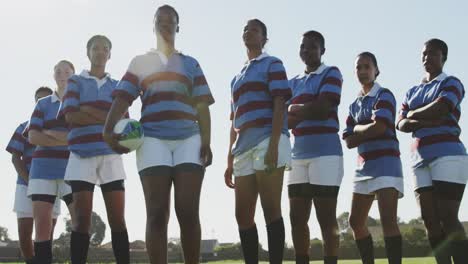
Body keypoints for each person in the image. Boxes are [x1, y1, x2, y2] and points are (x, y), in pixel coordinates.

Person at [103, 5, 214, 264]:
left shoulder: (190, 63)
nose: (165, 24)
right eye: (160, 20)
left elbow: (202, 105)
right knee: (156, 213)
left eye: (171, 20)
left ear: (178, 26)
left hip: (189, 138)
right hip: (152, 138)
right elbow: (122, 99)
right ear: (153, 26)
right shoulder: (140, 62)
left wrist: (207, 141)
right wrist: (107, 130)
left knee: (187, 211)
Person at [224, 18, 291, 264]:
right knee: (242, 215)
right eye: (245, 29)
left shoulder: (272, 64)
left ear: (264, 39)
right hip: (242, 147)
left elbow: (280, 103)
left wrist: (274, 145)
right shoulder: (236, 78)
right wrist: (229, 159)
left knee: (271, 209)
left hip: (267, 140)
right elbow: (234, 118)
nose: (248, 32)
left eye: (254, 29)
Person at [58, 35, 129, 264]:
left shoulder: (117, 86)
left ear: (110, 55)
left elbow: (124, 123)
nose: (100, 52)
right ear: (87, 53)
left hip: (110, 155)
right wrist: (109, 118)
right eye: (95, 48)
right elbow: (71, 115)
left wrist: (88, 112)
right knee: (81, 221)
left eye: (105, 48)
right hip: (81, 155)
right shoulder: (75, 82)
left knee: (118, 219)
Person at [397, 39, 468, 264]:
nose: (427, 58)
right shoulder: (412, 91)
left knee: (448, 217)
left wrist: (413, 117)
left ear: (443, 57)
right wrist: (423, 118)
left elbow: (443, 107)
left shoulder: (452, 82)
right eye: (424, 54)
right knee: (429, 219)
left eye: (433, 54)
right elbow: (400, 124)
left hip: (449, 154)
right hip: (419, 160)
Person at [287, 30, 343, 264]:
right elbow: (285, 120)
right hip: (297, 155)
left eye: (312, 46)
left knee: (326, 217)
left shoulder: (331, 73)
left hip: (326, 154)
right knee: (297, 218)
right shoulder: (293, 82)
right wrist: (301, 109)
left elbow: (323, 109)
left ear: (322, 50)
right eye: (303, 46)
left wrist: (295, 109)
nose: (306, 50)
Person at [343, 52, 403, 264]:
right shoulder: (354, 105)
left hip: (387, 164)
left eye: (367, 67)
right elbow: (348, 141)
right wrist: (363, 130)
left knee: (388, 220)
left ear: (376, 70)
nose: (362, 71)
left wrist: (357, 128)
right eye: (358, 67)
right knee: (355, 222)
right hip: (363, 168)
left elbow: (381, 127)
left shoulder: (384, 95)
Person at [26, 60, 75, 264]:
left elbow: (82, 135)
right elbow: (33, 138)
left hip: (73, 169)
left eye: (67, 71)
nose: (62, 74)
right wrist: (65, 137)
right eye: (58, 71)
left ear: (73, 76)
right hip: (42, 170)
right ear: (53, 75)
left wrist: (47, 132)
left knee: (81, 222)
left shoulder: (79, 103)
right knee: (42, 227)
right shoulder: (42, 104)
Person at [6, 86, 60, 264]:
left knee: (46, 232)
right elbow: (15, 158)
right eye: (38, 99)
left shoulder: (60, 128)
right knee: (24, 232)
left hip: (53, 183)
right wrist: (31, 182)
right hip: (26, 184)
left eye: (45, 99)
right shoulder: (24, 127)